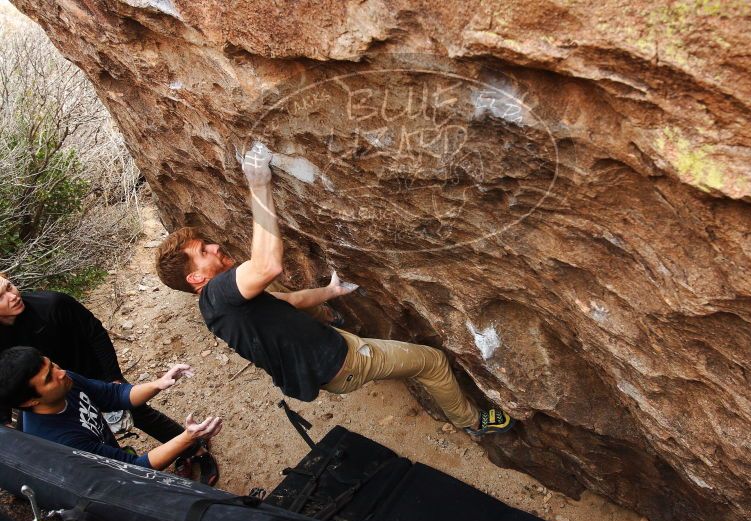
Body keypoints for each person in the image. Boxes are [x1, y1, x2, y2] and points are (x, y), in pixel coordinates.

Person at [154, 143, 513, 436]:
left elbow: (289, 301)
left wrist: (330, 291)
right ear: (196, 280)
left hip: (325, 355)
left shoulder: (217, 308)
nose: (215, 247)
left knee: (298, 305)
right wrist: (259, 184)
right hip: (343, 362)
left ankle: (336, 319)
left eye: (207, 244)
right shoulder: (218, 293)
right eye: (203, 253)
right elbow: (267, 265)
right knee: (432, 362)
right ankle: (471, 423)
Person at [0, 273, 219, 484]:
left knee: (137, 411)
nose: (12, 296)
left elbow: (94, 333)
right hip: (46, 394)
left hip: (85, 373)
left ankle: (196, 450)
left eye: (9, 287)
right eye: (0, 297)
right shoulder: (57, 436)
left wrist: (113, 375)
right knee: (84, 443)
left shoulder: (52, 305)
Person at [0, 346, 222, 470]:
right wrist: (187, 438)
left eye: (52, 364)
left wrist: (158, 383)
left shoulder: (64, 382)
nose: (61, 372)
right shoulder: (60, 442)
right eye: (49, 377)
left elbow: (112, 395)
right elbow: (134, 467)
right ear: (30, 401)